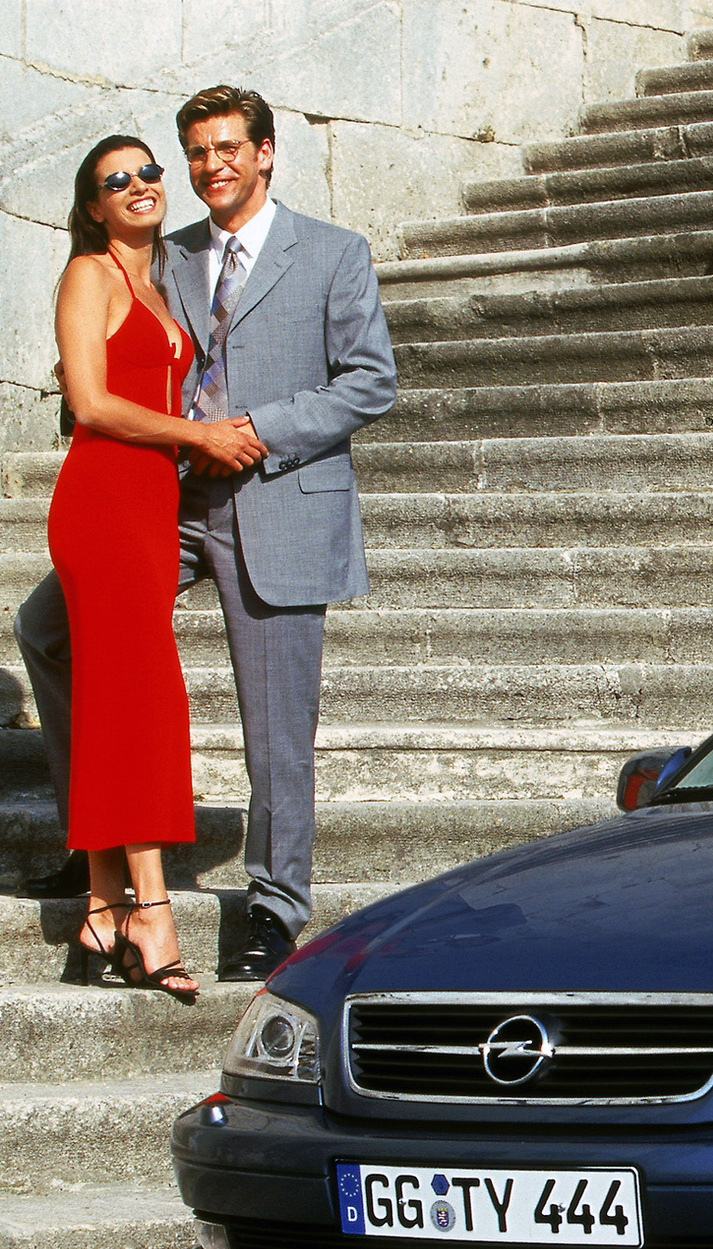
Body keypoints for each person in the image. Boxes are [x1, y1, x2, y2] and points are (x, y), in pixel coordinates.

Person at [16, 86, 398, 983]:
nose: (210, 165)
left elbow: (369, 381)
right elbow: (113, 361)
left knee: (275, 721)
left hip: (275, 494)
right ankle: (98, 838)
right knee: (47, 631)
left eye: (228, 148)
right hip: (172, 501)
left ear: (265, 153)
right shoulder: (169, 253)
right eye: (196, 152)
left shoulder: (333, 253)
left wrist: (256, 430)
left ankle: (275, 902)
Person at [46, 136, 271, 999]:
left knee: (120, 699)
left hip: (149, 505)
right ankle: (152, 909)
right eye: (117, 180)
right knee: (141, 700)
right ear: (92, 206)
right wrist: (198, 435)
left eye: (148, 171)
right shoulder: (89, 274)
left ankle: (104, 907)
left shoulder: (162, 276)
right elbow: (90, 402)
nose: (139, 185)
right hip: (103, 502)